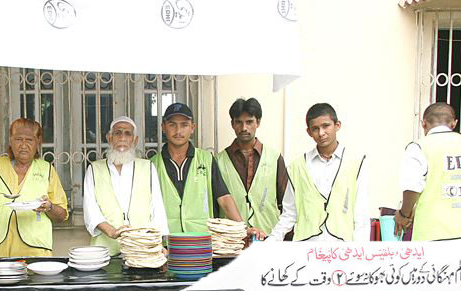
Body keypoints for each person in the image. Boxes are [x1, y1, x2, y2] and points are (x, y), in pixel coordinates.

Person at [394, 102, 461, 291]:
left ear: (424, 124)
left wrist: (403, 215)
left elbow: (412, 187)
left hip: (438, 237)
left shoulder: (420, 147)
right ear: (454, 123)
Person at [0, 118, 68, 257]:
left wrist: (49, 207)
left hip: (35, 251)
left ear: (38, 142)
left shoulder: (46, 170)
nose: (23, 145)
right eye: (18, 139)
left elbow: (62, 215)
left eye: (29, 140)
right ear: (10, 141)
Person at [268, 103, 369, 242]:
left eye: (326, 126)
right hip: (306, 250)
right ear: (309, 132)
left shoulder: (356, 162)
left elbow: (361, 214)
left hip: (343, 250)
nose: (321, 133)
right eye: (315, 129)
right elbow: (289, 213)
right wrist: (270, 242)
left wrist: (360, 253)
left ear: (337, 125)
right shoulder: (297, 167)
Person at [150, 102, 244, 233]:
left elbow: (224, 198)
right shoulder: (152, 165)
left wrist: (242, 229)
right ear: (163, 127)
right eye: (172, 125)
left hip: (201, 240)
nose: (178, 131)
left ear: (192, 128)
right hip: (166, 242)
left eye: (184, 125)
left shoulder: (206, 159)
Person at [83, 116, 169, 256]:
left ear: (134, 140)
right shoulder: (94, 169)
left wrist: (156, 243)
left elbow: (157, 208)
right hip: (105, 249)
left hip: (142, 246)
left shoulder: (147, 167)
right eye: (118, 133)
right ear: (109, 138)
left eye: (127, 133)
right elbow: (90, 209)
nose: (122, 137)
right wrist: (112, 231)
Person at [216, 98, 288, 240]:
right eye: (239, 122)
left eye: (249, 122)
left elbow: (286, 203)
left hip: (268, 237)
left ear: (258, 122)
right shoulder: (218, 161)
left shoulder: (274, 158)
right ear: (232, 124)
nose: (244, 128)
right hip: (231, 242)